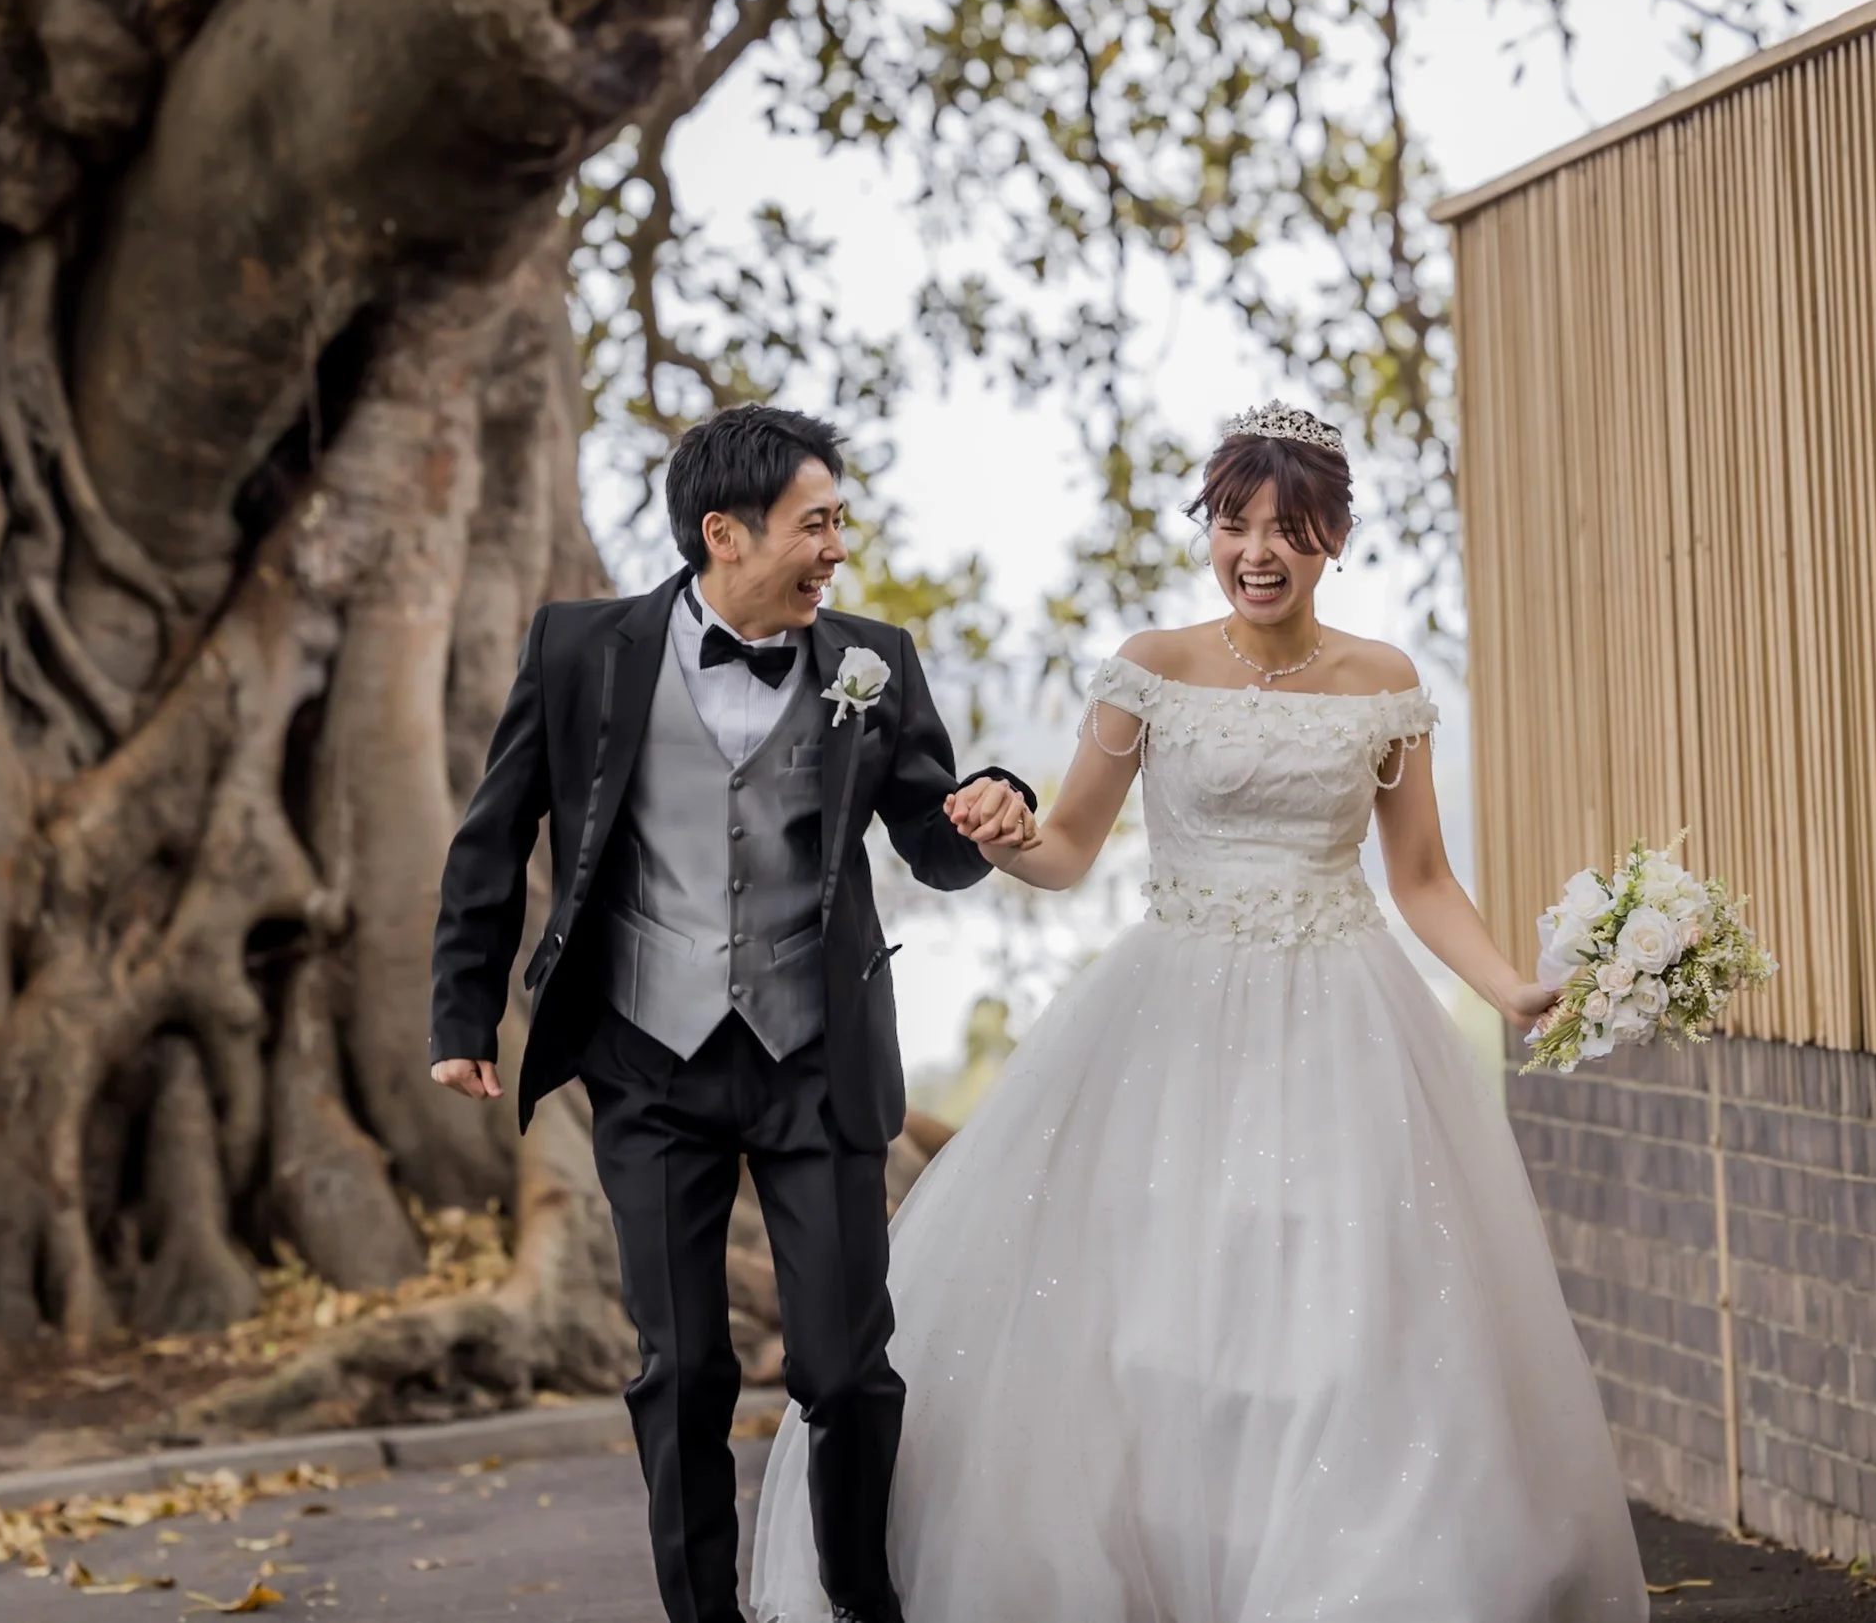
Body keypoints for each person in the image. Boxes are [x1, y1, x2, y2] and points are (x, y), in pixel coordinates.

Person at [750, 401, 1650, 1622]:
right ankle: (1170, 1559)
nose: (1256, 551)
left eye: (1286, 528)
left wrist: (1508, 988)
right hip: (1170, 1019)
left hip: (1342, 1017)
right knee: (1161, 1303)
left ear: (1333, 537)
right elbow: (1067, 845)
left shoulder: (1384, 681)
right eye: (1233, 525)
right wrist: (1003, 836)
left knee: (1343, 1298)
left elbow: (1422, 877)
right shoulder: (1152, 667)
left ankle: (1331, 1573)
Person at [427, 404, 1038, 1623]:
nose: (837, 548)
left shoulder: (876, 661)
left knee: (846, 1369)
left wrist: (995, 806)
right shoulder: (578, 650)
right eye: (817, 523)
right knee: (683, 1368)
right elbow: (496, 835)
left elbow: (931, 831)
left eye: (839, 523)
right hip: (648, 1064)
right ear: (725, 533)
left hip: (816, 1058)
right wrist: (460, 1014)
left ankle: (862, 1601)